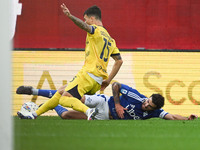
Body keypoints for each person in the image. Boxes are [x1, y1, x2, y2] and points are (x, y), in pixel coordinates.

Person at [17, 3, 123, 120]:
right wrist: (107, 80)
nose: (85, 21)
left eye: (86, 19)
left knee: (64, 99)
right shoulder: (110, 39)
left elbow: (85, 26)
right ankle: (34, 114)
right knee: (61, 92)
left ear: (92, 18)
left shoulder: (96, 30)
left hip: (88, 75)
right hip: (97, 81)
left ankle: (88, 111)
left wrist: (70, 16)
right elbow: (119, 61)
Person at [16, 84, 198, 120]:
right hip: (103, 102)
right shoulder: (137, 96)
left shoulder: (154, 112)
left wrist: (188, 119)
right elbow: (116, 85)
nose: (145, 105)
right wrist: (118, 104)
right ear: (147, 97)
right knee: (73, 96)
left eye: (149, 106)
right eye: (147, 101)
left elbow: (172, 116)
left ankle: (53, 104)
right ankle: (34, 91)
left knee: (65, 115)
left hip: (103, 117)